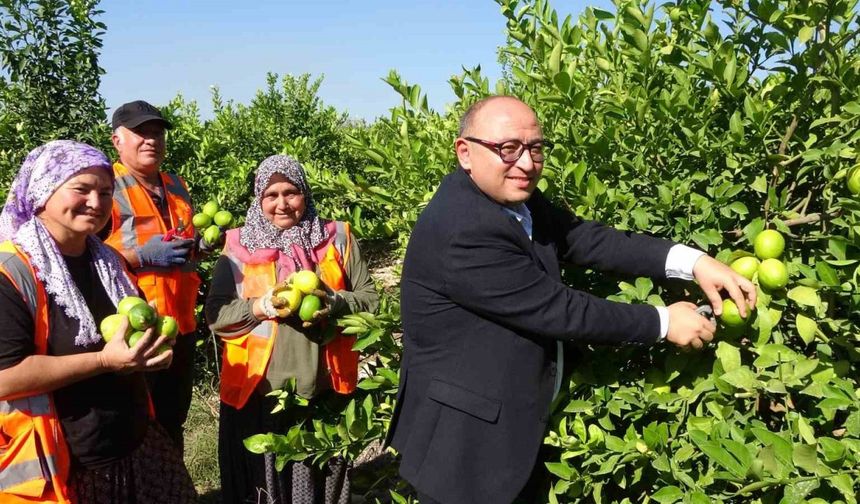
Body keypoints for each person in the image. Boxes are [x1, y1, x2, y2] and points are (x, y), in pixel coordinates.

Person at [385, 96, 757, 504]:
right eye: (508, 149)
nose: (526, 163)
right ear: (465, 152)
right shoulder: (462, 230)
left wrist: (693, 261)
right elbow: (558, 310)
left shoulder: (508, 198)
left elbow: (584, 238)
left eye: (536, 148)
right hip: (467, 446)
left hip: (507, 427)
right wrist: (664, 323)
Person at [0, 140, 196, 503]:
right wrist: (104, 361)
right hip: (66, 462)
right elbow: (4, 379)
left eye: (106, 192)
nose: (96, 202)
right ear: (44, 190)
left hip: (136, 440)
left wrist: (153, 350)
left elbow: (135, 331)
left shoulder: (109, 262)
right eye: (81, 189)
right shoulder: (13, 272)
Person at [206, 155, 378, 504]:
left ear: (306, 194)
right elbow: (216, 315)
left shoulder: (337, 237)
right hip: (259, 391)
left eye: (291, 192)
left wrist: (336, 302)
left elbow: (371, 301)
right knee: (265, 487)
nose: (282, 204)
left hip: (324, 387)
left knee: (317, 483)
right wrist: (260, 306)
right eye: (271, 195)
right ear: (258, 199)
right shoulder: (238, 245)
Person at [102, 100, 200, 453]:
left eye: (157, 132)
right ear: (117, 140)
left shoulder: (176, 184)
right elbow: (81, 257)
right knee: (140, 421)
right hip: (134, 329)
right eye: (141, 132)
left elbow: (177, 239)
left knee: (174, 418)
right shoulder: (104, 187)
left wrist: (197, 245)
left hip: (179, 324)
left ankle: (174, 488)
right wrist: (140, 256)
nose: (151, 140)